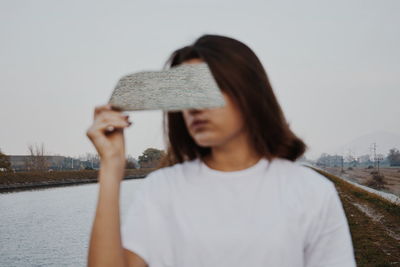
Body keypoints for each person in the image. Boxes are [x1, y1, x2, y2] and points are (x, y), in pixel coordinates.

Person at [86, 34, 356, 267]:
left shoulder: (311, 192)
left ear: (247, 91)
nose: (195, 107)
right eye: (186, 93)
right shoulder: (161, 188)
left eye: (207, 90)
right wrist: (111, 166)